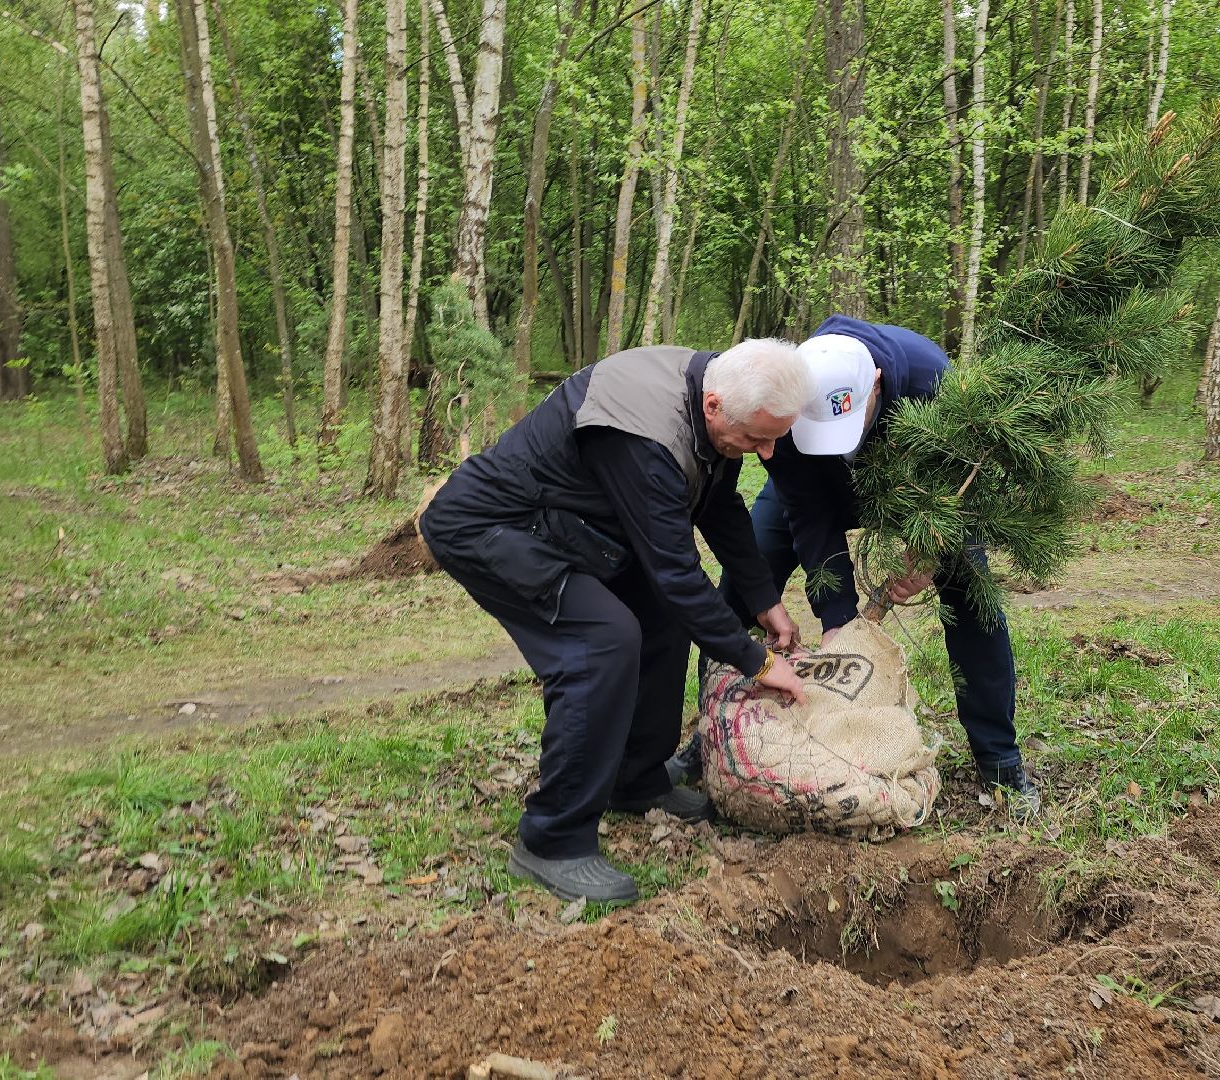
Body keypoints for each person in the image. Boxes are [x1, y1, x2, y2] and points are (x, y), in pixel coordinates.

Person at [419, 340, 812, 902]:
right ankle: (552, 839)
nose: (767, 453)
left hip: (568, 525)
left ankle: (636, 778)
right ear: (715, 407)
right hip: (493, 526)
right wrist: (758, 661)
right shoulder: (644, 435)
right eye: (757, 439)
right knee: (601, 642)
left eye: (776, 437)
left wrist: (762, 597)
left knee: (663, 618)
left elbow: (719, 506)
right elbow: (677, 572)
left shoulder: (715, 387)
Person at [703, 316, 1041, 817]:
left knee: (972, 600)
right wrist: (837, 618)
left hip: (923, 496)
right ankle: (718, 734)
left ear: (876, 384)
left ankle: (999, 761)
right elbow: (809, 515)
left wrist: (931, 547)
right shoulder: (787, 395)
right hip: (814, 492)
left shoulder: (934, 382)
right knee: (743, 585)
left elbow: (968, 484)